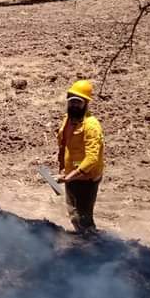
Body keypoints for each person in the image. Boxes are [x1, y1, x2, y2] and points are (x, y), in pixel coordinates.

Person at [55, 79, 105, 234]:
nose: (74, 105)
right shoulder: (67, 120)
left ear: (86, 103)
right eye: (72, 101)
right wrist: (63, 169)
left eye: (79, 102)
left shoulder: (91, 126)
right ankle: (83, 237)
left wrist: (70, 176)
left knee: (83, 216)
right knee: (73, 212)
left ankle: (93, 241)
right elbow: (63, 144)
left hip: (86, 178)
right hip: (71, 174)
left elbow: (92, 158)